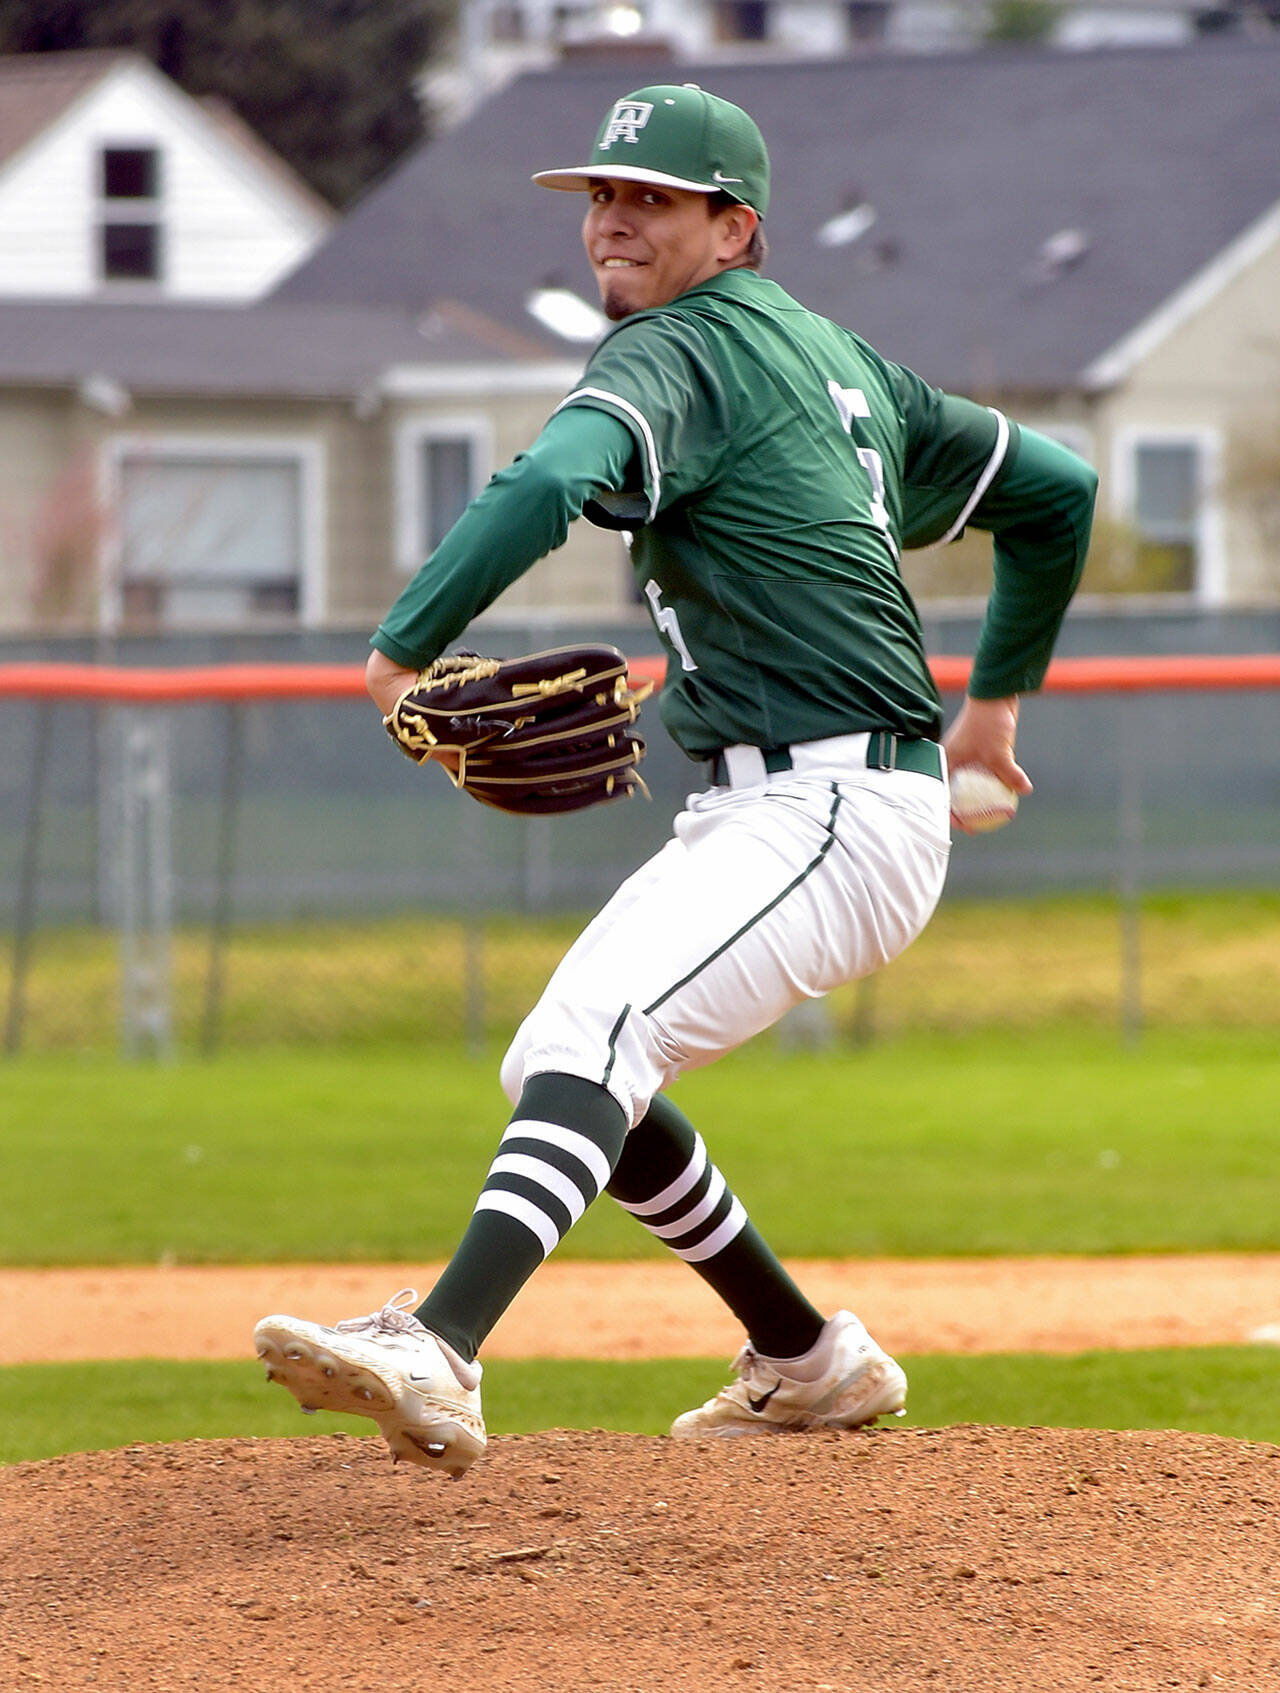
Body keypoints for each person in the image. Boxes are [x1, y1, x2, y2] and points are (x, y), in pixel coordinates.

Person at [255, 84, 1096, 1477]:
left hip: (837, 808)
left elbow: (542, 484)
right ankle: (807, 1356)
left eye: (647, 198)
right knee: (564, 1061)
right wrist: (992, 714)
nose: (608, 222)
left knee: (597, 1034)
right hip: (792, 802)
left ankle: (441, 1342)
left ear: (734, 224)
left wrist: (400, 651)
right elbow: (1053, 487)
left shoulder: (680, 352)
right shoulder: (834, 358)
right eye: (598, 196)